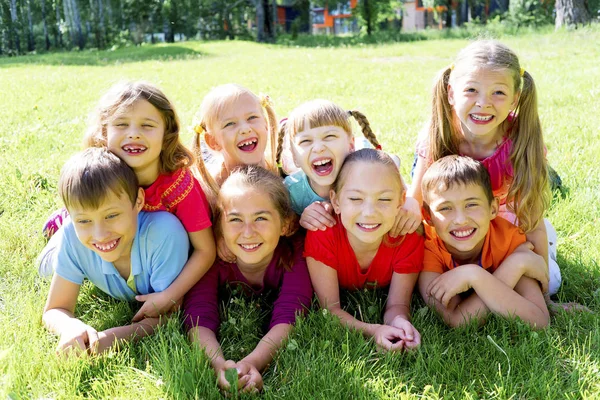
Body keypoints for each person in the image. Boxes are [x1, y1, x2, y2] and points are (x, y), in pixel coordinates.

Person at [40, 81, 216, 321]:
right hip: (107, 236)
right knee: (52, 262)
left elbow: (205, 250)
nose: (134, 133)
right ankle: (63, 223)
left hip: (156, 250)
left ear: (167, 132)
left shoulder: (180, 187)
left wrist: (169, 295)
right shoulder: (103, 170)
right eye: (122, 124)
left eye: (147, 125)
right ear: (104, 132)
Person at [407, 40, 562, 295]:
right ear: (451, 93)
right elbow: (416, 207)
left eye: (498, 93)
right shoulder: (437, 135)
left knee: (552, 281)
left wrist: (545, 297)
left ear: (514, 99)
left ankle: (551, 244)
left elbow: (531, 219)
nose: (483, 103)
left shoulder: (521, 141)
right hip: (456, 230)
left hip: (504, 230)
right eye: (471, 90)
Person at [42, 148, 190, 356]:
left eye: (111, 216)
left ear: (138, 201)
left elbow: (169, 315)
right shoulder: (73, 236)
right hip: (67, 241)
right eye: (84, 220)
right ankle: (59, 224)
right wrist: (69, 326)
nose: (100, 234)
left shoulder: (165, 235)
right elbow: (54, 309)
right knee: (45, 267)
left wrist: (112, 338)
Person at [184, 166, 313, 393]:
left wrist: (253, 362)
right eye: (235, 220)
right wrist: (218, 364)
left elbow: (291, 312)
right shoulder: (210, 257)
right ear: (220, 227)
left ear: (284, 225)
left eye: (260, 218)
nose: (248, 232)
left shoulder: (296, 253)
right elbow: (198, 315)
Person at [304, 148, 424, 352]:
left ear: (401, 201)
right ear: (336, 201)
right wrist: (373, 330)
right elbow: (330, 309)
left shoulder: (408, 236)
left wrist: (400, 322)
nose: (369, 213)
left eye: (384, 199)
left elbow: (397, 305)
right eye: (355, 199)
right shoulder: (323, 233)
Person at [418, 155, 550, 329]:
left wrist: (514, 263)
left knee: (553, 276)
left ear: (493, 208)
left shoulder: (508, 241)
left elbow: (539, 320)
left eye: (471, 205)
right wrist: (508, 268)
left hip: (520, 230)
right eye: (445, 208)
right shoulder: (427, 248)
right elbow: (458, 320)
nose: (460, 220)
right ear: (428, 216)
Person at [276, 99, 421, 236]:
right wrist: (302, 221)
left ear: (351, 145)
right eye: (306, 141)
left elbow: (395, 177)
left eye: (329, 136)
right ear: (294, 155)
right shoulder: (293, 191)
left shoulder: (367, 168)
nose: (318, 147)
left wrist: (410, 201)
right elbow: (287, 231)